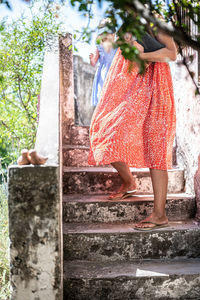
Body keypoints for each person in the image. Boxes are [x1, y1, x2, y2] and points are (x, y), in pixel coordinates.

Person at [88, 29, 177, 231]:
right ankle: (129, 182)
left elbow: (171, 53)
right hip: (128, 88)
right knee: (103, 133)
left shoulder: (155, 22)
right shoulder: (126, 23)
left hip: (155, 86)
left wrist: (141, 55)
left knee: (156, 147)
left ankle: (159, 215)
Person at [89, 19, 117, 107]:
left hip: (115, 71)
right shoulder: (99, 47)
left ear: (113, 34)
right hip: (103, 73)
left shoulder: (117, 46)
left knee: (114, 94)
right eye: (101, 34)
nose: (104, 36)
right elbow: (94, 63)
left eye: (107, 33)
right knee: (103, 94)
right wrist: (92, 59)